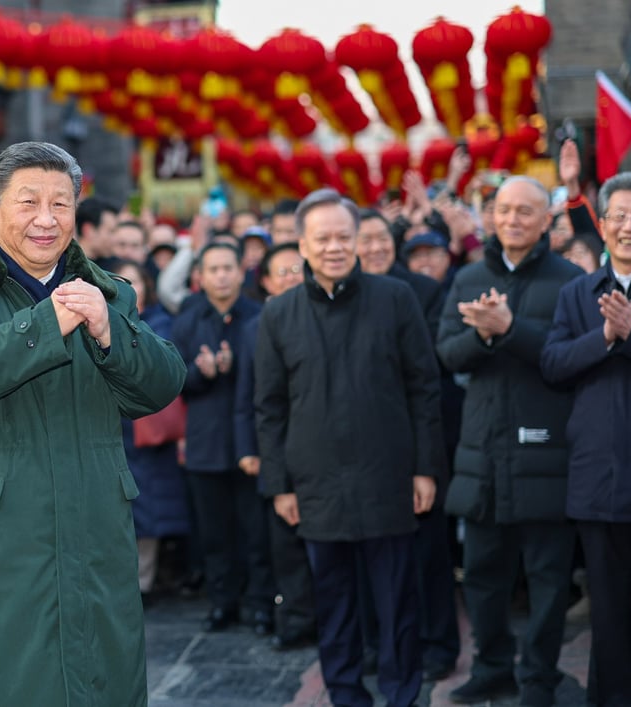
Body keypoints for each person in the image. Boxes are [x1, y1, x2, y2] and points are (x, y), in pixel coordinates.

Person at [0, 142, 186, 706]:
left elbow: (162, 385)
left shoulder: (107, 292)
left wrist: (111, 332)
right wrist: (44, 323)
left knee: (98, 675)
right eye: (28, 202)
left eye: (61, 204)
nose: (46, 219)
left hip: (94, 523)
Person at [254, 188, 444, 707]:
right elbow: (269, 407)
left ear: (357, 239)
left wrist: (425, 469)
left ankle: (402, 693)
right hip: (315, 481)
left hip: (389, 475)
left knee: (397, 599)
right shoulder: (279, 314)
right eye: (323, 239)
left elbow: (423, 389)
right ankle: (344, 692)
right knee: (333, 602)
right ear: (303, 246)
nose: (335, 247)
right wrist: (279, 485)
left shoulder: (395, 299)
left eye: (344, 237)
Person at [437, 176, 582, 707]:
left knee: (547, 577)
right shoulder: (469, 277)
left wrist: (510, 328)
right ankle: (492, 667)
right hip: (483, 451)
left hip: (546, 450)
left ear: (547, 220)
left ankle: (539, 678)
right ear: (490, 217)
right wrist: (482, 334)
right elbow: (447, 354)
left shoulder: (571, 281)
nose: (513, 219)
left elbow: (573, 358)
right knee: (481, 574)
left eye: (525, 211)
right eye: (504, 210)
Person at [540, 172, 631, 706]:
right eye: (621, 216)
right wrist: (605, 336)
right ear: (603, 225)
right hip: (598, 478)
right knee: (609, 619)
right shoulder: (576, 293)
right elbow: (553, 365)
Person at [355, 208, 460, 681]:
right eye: (364, 239)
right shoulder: (342, 295)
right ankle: (378, 642)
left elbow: (428, 374)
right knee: (366, 552)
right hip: (359, 446)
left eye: (382, 238)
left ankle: (438, 645)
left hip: (416, 437)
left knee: (427, 551)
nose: (375, 247)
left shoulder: (423, 291)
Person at [171, 242, 274, 635]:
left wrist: (236, 367)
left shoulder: (259, 316)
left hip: (251, 443)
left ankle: (261, 604)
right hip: (205, 442)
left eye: (228, 267)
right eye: (213, 269)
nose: (221, 276)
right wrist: (203, 372)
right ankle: (222, 603)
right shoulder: (188, 320)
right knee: (214, 535)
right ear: (200, 276)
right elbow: (173, 379)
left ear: (242, 270)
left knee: (256, 532)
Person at [233, 242, 317, 650]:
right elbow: (247, 397)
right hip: (277, 448)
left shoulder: (322, 315)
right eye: (282, 272)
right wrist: (248, 449)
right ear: (265, 281)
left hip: (320, 447)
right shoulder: (254, 327)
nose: (291, 278)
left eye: (298, 269)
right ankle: (296, 620)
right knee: (284, 543)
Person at [111, 259, 191, 600]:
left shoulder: (160, 323)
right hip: (112, 429)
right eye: (120, 281)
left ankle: (143, 581)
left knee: (150, 508)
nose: (129, 288)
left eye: (136, 281)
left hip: (147, 432)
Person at [75, 196, 119, 269]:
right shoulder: (64, 266)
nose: (115, 239)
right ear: (88, 230)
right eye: (110, 231)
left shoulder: (117, 266)